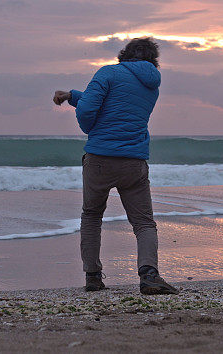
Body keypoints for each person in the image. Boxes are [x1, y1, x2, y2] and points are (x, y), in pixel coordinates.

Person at [53, 37, 178, 295]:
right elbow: (119, 103)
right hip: (134, 162)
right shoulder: (151, 84)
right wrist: (72, 95)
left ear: (124, 54)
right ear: (153, 59)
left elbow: (90, 109)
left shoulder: (108, 72)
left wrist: (90, 129)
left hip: (100, 159)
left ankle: (93, 277)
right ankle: (149, 275)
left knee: (92, 216)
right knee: (144, 223)